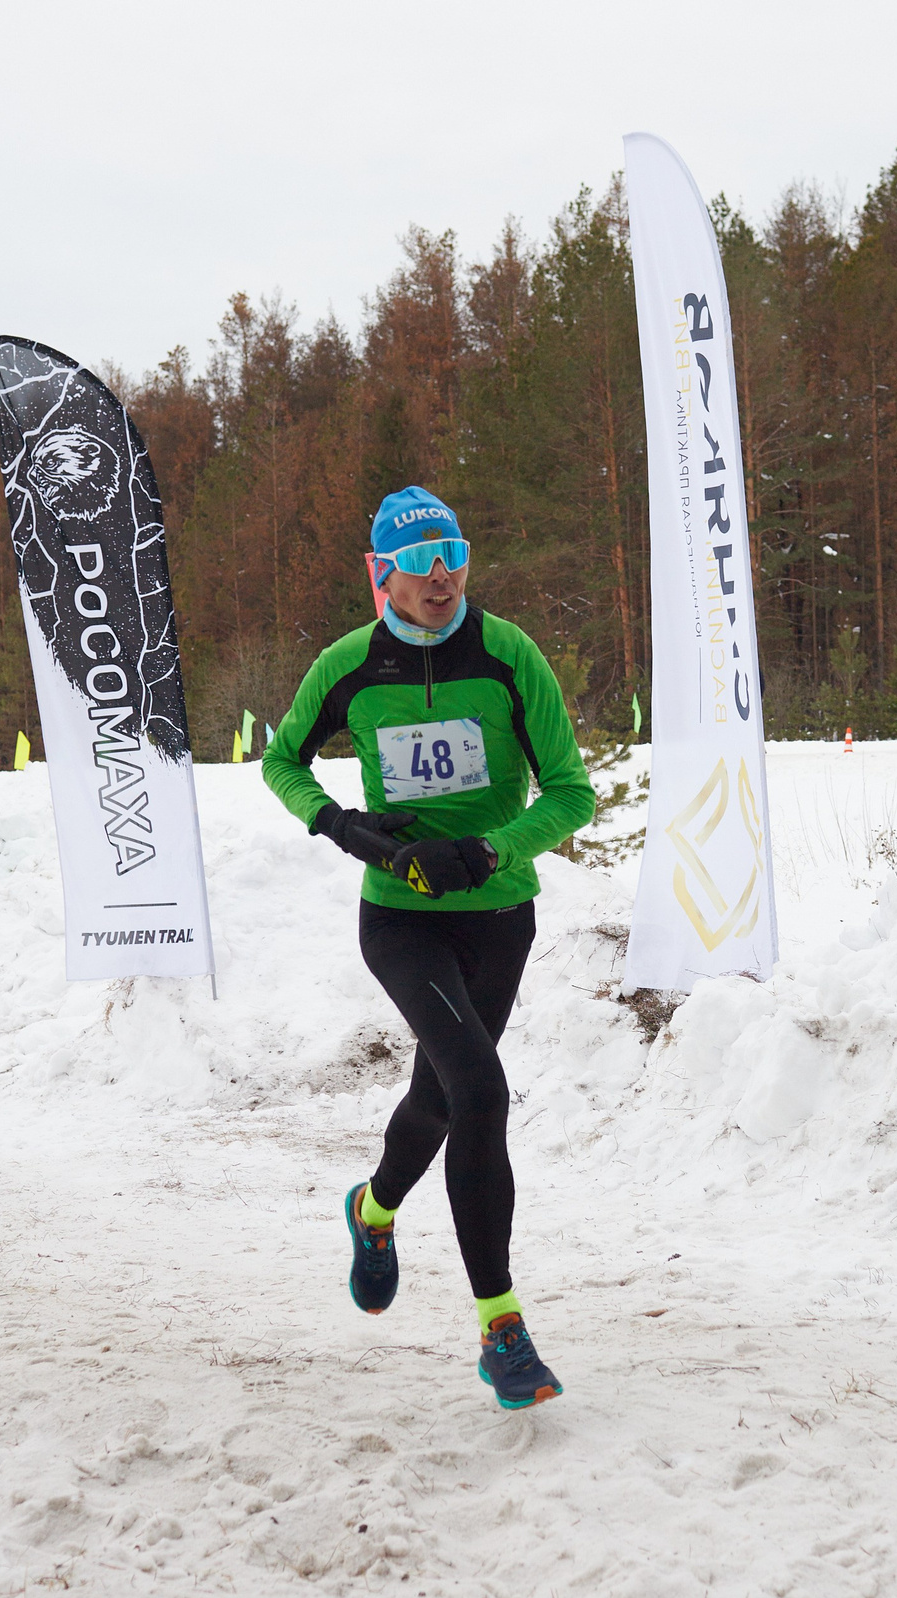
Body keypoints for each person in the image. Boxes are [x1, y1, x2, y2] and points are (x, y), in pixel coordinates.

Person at [261, 485, 597, 1410]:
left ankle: (372, 1209)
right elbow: (281, 759)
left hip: (498, 915)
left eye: (453, 554)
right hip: (400, 917)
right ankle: (502, 1328)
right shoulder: (349, 665)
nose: (441, 574)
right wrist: (341, 825)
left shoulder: (507, 654)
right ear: (384, 573)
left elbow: (571, 791)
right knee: (479, 1087)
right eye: (419, 560)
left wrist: (493, 849)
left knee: (441, 1097)